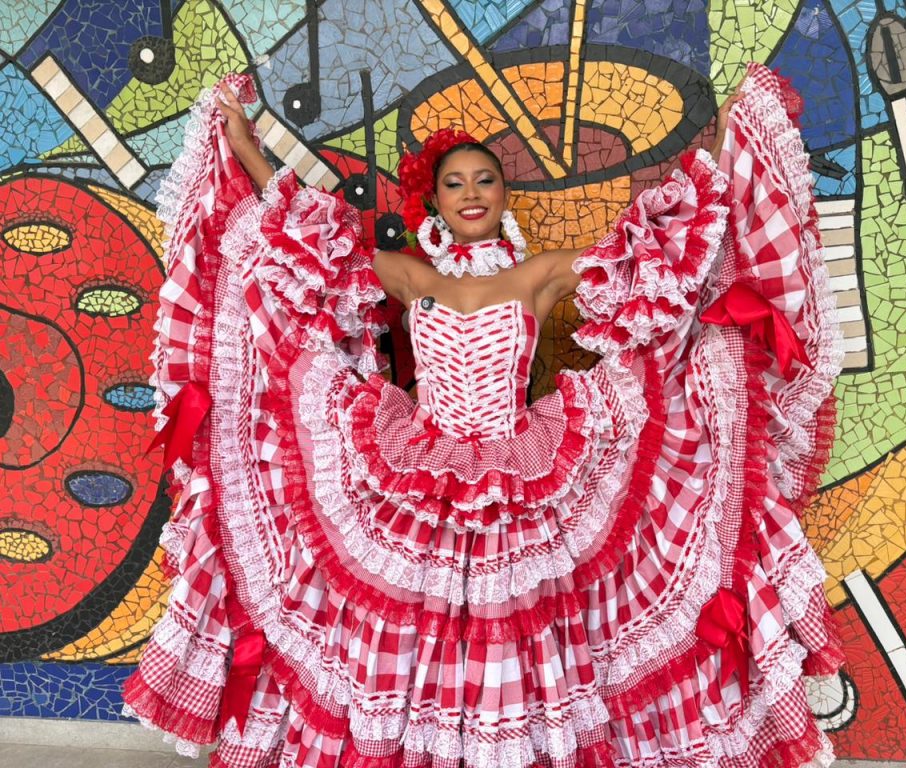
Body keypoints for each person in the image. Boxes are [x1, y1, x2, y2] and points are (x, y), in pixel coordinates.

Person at [124, 62, 845, 768]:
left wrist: (716, 154)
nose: (471, 194)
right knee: (409, 622)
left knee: (522, 626)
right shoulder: (409, 275)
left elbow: (653, 260)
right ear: (433, 200)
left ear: (504, 194)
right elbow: (303, 246)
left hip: (520, 463)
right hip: (417, 466)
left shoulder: (538, 274)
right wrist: (245, 145)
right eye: (454, 184)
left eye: (485, 180)